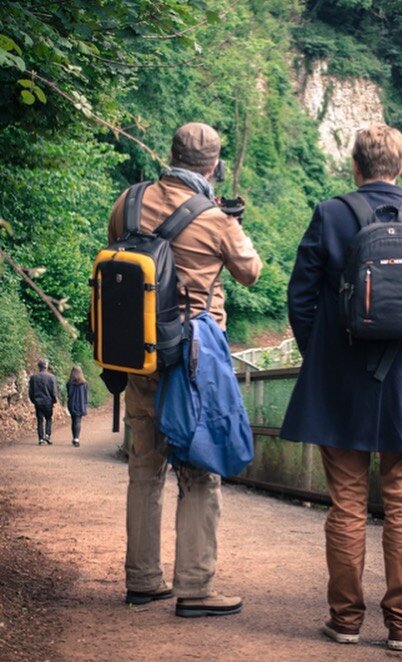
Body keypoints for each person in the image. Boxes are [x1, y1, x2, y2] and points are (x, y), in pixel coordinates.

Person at [280, 123, 402, 650]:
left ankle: (345, 621)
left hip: (340, 381)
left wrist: (325, 352)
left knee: (347, 505)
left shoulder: (332, 213)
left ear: (355, 165)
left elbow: (302, 298)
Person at [107, 122, 262, 615]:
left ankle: (142, 581)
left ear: (170, 155)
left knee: (145, 468)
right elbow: (251, 272)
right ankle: (196, 588)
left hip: (139, 352)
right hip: (193, 360)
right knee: (199, 471)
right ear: (213, 165)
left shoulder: (127, 202)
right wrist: (229, 222)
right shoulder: (215, 219)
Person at [28, 358, 59, 446]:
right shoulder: (51, 377)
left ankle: (41, 439)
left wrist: (33, 400)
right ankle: (47, 435)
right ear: (46, 366)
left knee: (40, 420)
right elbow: (53, 391)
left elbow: (30, 392)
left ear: (39, 366)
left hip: (38, 402)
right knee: (48, 419)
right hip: (48, 402)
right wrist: (54, 400)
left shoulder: (34, 377)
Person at [66, 365, 88, 448]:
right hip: (81, 403)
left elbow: (69, 394)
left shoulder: (69, 383)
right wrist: (86, 404)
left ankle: (74, 437)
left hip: (72, 403)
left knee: (73, 420)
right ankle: (76, 439)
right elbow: (86, 395)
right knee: (78, 421)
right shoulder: (84, 383)